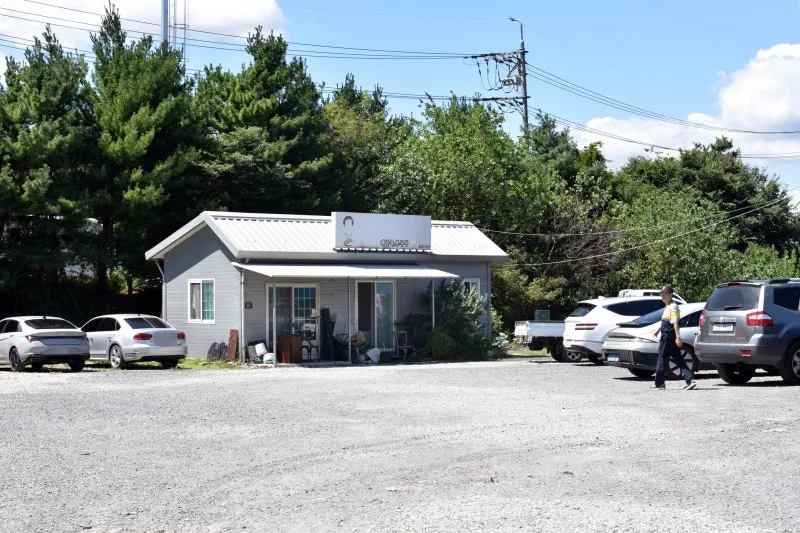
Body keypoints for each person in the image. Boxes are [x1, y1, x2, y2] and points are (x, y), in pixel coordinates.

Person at [653, 285, 696, 390]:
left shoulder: (673, 307)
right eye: (661, 294)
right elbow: (666, 321)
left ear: (670, 294)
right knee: (678, 359)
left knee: (661, 358)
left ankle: (660, 384)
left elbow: (675, 323)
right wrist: (658, 330)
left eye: (664, 294)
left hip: (668, 337)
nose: (662, 296)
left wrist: (678, 337)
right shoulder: (668, 307)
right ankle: (690, 380)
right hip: (668, 336)